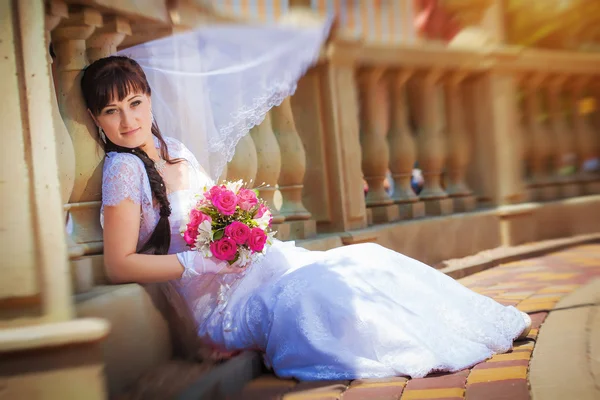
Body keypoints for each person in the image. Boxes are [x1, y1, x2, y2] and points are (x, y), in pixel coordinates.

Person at [82, 56, 531, 381]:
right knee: (317, 291)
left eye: (136, 103)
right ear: (96, 119)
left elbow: (210, 207)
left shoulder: (175, 149)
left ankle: (461, 327)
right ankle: (411, 346)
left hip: (256, 265)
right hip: (215, 296)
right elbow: (119, 263)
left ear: (149, 100)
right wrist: (198, 264)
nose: (128, 120)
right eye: (111, 111)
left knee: (365, 258)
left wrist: (245, 229)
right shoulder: (123, 170)